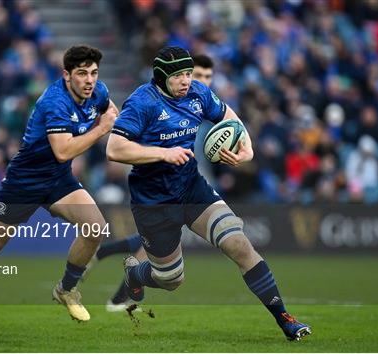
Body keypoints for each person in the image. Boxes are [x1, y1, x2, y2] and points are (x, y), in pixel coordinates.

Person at [106, 46, 311, 341]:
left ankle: (285, 319)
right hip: (153, 201)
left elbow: (230, 118)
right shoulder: (141, 102)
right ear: (162, 77)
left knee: (239, 243)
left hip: (191, 187)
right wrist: (162, 154)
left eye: (189, 73)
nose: (187, 80)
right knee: (170, 279)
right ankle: (135, 274)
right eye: (179, 76)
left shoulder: (198, 94)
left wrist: (247, 149)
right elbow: (114, 149)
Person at [0, 45, 120, 329]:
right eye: (82, 74)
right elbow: (63, 151)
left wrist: (109, 120)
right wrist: (102, 129)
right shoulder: (54, 102)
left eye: (93, 73)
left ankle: (66, 289)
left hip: (58, 179)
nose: (89, 80)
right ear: (67, 75)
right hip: (24, 182)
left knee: (94, 228)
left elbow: (110, 110)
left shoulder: (98, 91)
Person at [85, 53, 217, 312]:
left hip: (184, 178)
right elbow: (119, 146)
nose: (196, 81)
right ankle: (120, 293)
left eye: (205, 77)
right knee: (158, 247)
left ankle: (110, 266)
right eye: (194, 75)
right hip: (153, 181)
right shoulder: (152, 101)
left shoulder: (198, 100)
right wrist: (161, 153)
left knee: (157, 244)